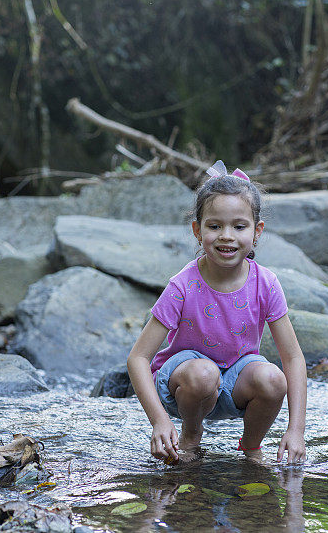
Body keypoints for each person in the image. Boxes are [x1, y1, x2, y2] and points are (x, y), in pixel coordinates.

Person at [127, 160, 307, 464]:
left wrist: (296, 430)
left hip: (237, 382)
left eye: (239, 226)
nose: (227, 236)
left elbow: (293, 358)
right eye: (215, 226)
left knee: (274, 378)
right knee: (203, 372)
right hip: (186, 384)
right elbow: (138, 358)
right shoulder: (183, 285)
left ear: (257, 231)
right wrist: (159, 420)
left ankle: (251, 447)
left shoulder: (265, 283)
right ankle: (191, 435)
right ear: (197, 230)